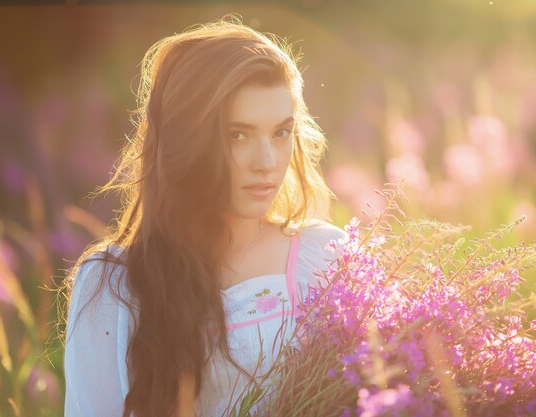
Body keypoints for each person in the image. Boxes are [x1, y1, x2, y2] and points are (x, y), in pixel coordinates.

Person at [62, 16, 348, 417]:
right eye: (238, 135)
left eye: (281, 132)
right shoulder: (112, 283)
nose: (267, 162)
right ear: (189, 141)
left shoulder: (325, 259)